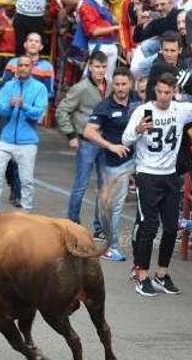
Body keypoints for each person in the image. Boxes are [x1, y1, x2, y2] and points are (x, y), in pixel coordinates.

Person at [121, 72, 192, 296]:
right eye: (160, 92)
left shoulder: (180, 109)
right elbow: (125, 140)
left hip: (170, 175)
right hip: (147, 175)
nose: (163, 96)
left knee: (172, 227)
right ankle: (141, 274)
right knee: (149, 226)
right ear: (155, 91)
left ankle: (162, 274)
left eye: (168, 93)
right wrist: (137, 130)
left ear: (174, 92)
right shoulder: (143, 112)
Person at [82, 66, 140, 262]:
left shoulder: (137, 101)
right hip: (116, 164)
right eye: (117, 84)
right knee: (114, 206)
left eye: (124, 84)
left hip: (139, 159)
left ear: (131, 84)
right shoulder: (104, 106)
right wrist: (111, 146)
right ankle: (110, 246)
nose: (121, 88)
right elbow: (89, 132)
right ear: (112, 85)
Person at [57, 51, 109, 230]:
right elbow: (62, 110)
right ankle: (72, 223)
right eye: (96, 66)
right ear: (90, 66)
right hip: (86, 141)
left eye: (103, 67)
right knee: (81, 184)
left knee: (105, 186)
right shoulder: (81, 87)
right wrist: (70, 135)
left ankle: (99, 227)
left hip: (105, 142)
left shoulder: (109, 87)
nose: (100, 70)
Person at [0, 55, 48, 212]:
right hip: (6, 139)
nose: (22, 68)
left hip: (28, 141)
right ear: (16, 67)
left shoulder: (39, 88)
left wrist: (24, 106)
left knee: (27, 180)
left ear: (31, 68)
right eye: (20, 65)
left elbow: (38, 113)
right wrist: (9, 105)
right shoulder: (8, 86)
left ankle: (26, 212)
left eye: (26, 65)